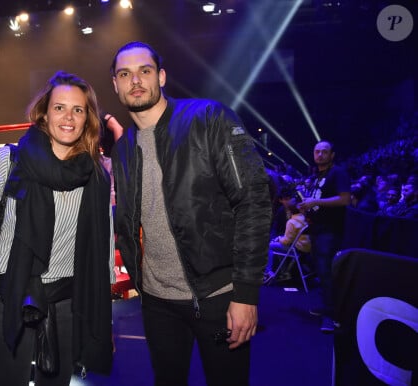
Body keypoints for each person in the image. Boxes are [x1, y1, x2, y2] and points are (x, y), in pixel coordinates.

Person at [109, 41, 271, 386]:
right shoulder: (123, 148)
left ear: (162, 77)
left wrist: (245, 295)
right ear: (115, 84)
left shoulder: (209, 119)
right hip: (158, 304)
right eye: (125, 74)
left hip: (218, 300)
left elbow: (253, 202)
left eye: (145, 71)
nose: (135, 80)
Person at [0, 71, 115, 386]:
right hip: (8, 298)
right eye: (59, 107)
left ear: (87, 119)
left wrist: (102, 324)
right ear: (44, 112)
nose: (68, 117)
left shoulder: (95, 176)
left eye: (78, 109)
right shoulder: (9, 161)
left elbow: (103, 257)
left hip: (67, 305)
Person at [298, 140, 350, 333]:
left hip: (331, 231)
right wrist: (307, 206)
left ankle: (333, 316)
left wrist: (316, 201)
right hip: (318, 231)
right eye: (317, 151)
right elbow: (317, 203)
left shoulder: (338, 173)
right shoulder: (319, 175)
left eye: (324, 152)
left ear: (332, 155)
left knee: (328, 273)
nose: (320, 155)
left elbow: (345, 199)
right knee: (322, 273)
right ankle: (327, 307)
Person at [264, 190, 311, 282]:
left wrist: (278, 239)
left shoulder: (291, 222)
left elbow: (286, 241)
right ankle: (284, 272)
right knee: (279, 247)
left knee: (269, 246)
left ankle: (268, 272)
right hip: (306, 247)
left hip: (297, 248)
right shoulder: (303, 217)